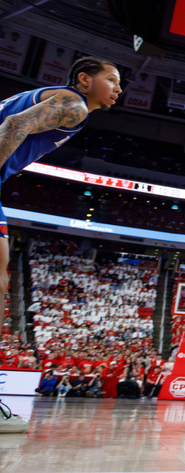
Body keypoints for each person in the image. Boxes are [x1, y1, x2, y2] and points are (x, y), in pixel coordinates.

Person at [0, 56, 120, 433]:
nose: (119, 89)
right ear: (84, 80)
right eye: (112, 79)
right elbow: (15, 124)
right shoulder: (73, 104)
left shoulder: (47, 97)